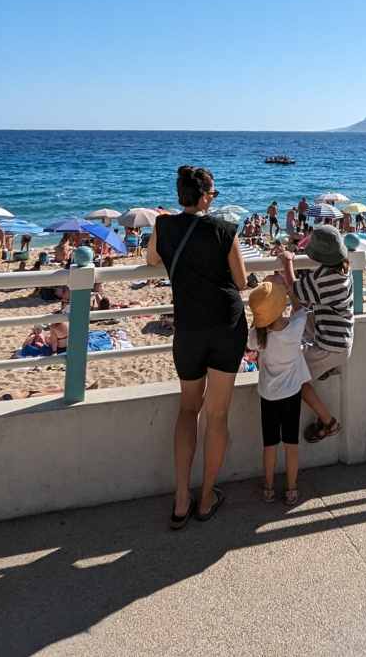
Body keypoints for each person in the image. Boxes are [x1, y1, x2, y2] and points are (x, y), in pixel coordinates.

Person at [147, 165, 248, 528]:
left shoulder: (163, 226)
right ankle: (206, 497)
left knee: (188, 410)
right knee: (217, 415)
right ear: (205, 195)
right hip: (226, 325)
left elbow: (151, 260)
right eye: (214, 194)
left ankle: (180, 499)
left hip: (188, 327)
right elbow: (241, 280)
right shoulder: (224, 229)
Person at [274, 225, 351, 444]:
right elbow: (306, 297)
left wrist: (288, 261)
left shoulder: (325, 279)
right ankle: (323, 369)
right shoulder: (341, 271)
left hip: (331, 347)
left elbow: (295, 288)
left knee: (293, 379)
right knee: (303, 315)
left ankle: (329, 422)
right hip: (338, 336)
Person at [247, 277, 310, 505]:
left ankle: (268, 488)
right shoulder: (294, 328)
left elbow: (252, 338)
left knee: (270, 444)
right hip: (292, 394)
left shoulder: (259, 336)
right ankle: (292, 489)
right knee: (291, 444)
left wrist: (259, 319)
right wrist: (288, 288)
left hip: (268, 396)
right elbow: (300, 308)